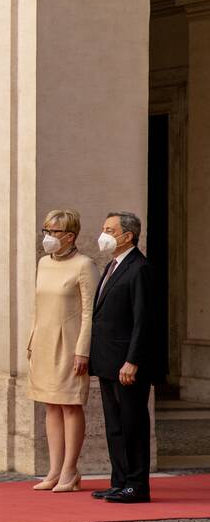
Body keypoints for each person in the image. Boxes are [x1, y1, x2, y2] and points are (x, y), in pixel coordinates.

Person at [26, 209, 98, 492]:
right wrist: (31, 341)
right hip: (43, 342)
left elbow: (90, 312)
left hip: (69, 345)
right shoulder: (43, 263)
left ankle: (70, 471)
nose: (47, 237)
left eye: (52, 232)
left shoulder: (84, 265)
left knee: (70, 404)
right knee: (50, 405)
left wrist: (83, 350)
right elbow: (37, 305)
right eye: (45, 231)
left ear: (69, 236)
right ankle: (54, 470)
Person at [89, 211, 158, 504]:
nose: (103, 234)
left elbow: (144, 320)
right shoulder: (113, 266)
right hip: (108, 360)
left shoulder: (139, 268)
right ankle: (119, 481)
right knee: (115, 425)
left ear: (127, 236)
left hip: (127, 363)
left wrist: (133, 360)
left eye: (109, 229)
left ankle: (137, 485)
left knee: (132, 423)